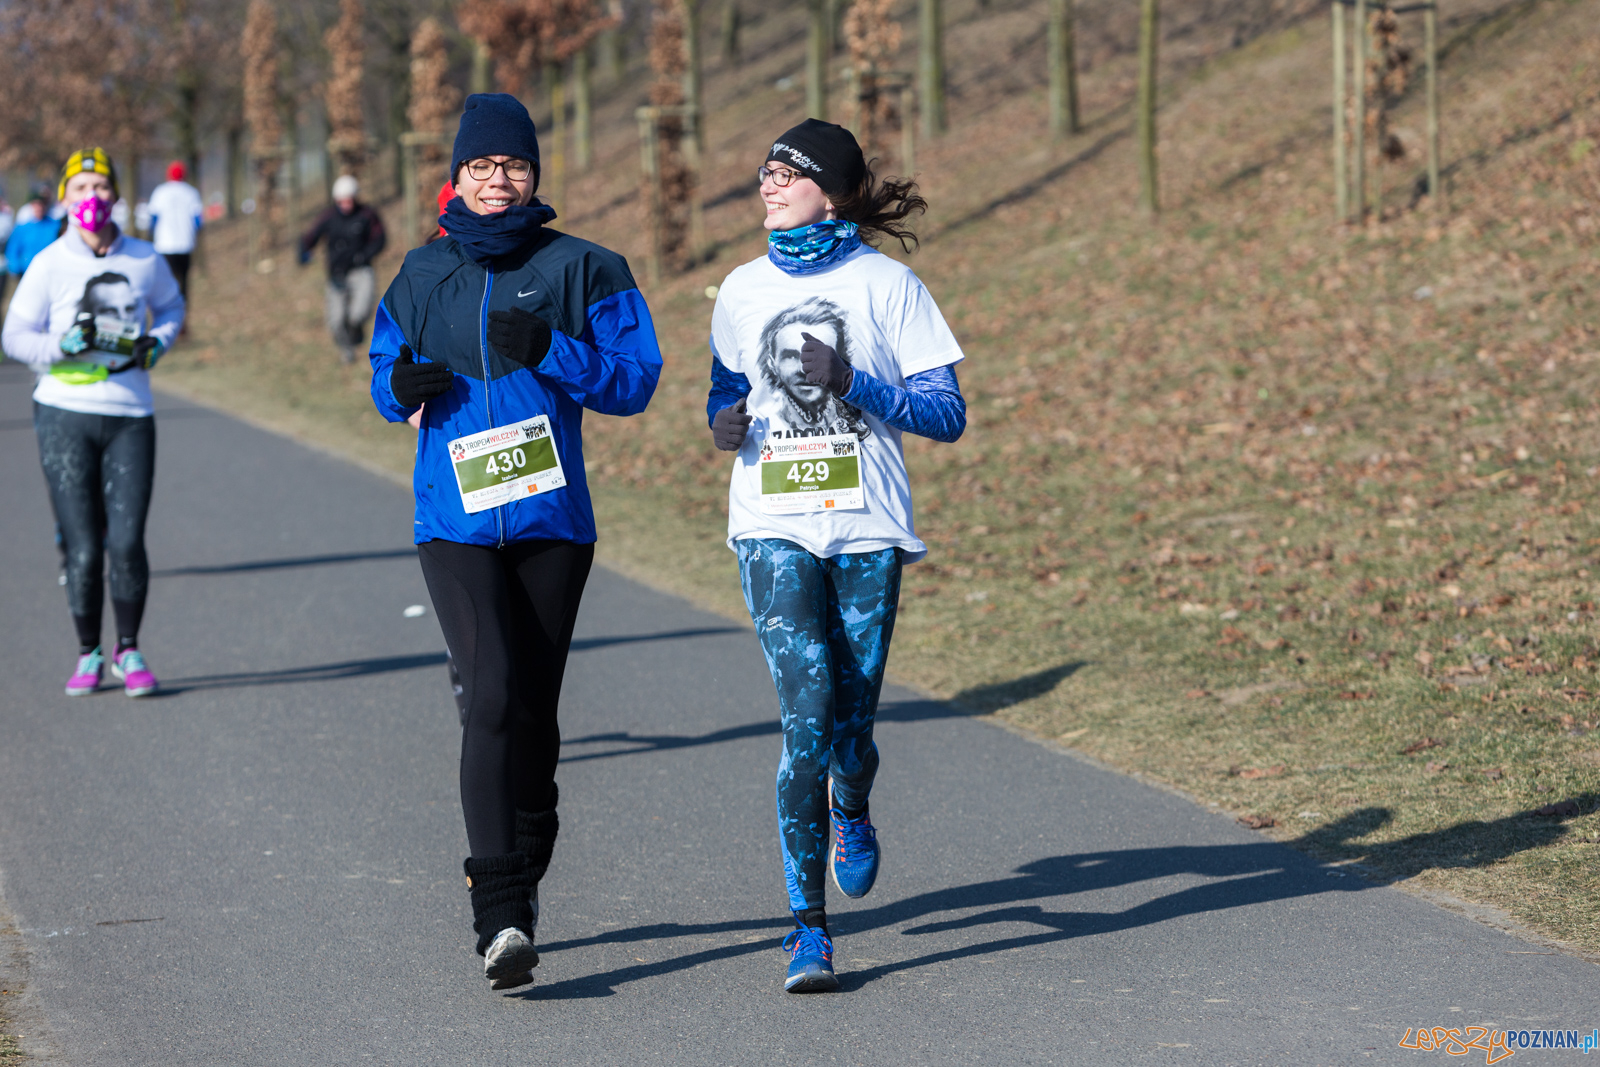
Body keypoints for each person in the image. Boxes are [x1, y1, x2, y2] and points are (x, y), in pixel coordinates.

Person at [368, 93, 662, 991]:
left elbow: (635, 381)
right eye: (482, 167)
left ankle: (527, 837)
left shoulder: (585, 267)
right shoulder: (421, 273)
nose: (499, 181)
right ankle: (500, 912)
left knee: (533, 707)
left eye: (515, 166)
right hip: (452, 521)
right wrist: (397, 385)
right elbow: (385, 371)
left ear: (536, 173)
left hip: (551, 523)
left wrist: (551, 350)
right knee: (489, 691)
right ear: (455, 176)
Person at [705, 119, 966, 993]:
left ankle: (852, 800)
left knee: (850, 727)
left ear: (834, 190)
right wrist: (721, 425)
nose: (768, 183)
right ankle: (806, 930)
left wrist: (854, 381)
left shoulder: (890, 286)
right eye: (766, 169)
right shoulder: (739, 288)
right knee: (807, 713)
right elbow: (722, 390)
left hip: (865, 529)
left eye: (788, 172)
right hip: (770, 523)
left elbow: (946, 413)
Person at [1, 147, 184, 698]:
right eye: (80, 189)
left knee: (126, 541)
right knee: (83, 547)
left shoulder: (145, 260)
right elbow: (14, 337)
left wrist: (157, 343)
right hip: (63, 414)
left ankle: (129, 650)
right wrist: (61, 346)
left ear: (115, 196)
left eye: (101, 187)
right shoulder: (50, 262)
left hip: (130, 415)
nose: (92, 197)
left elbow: (173, 309)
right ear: (64, 199)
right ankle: (89, 654)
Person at [298, 174, 386, 364]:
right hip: (336, 275)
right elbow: (311, 236)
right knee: (336, 321)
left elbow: (380, 239)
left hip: (361, 271)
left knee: (358, 313)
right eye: (341, 201)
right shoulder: (328, 217)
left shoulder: (367, 215)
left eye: (349, 200)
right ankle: (347, 353)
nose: (345, 205)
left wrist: (365, 255)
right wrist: (303, 251)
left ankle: (356, 332)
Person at [147, 161, 203, 305]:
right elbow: (198, 221)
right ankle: (183, 313)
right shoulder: (191, 192)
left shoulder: (160, 191)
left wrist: (151, 237)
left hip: (164, 244)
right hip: (185, 243)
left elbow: (153, 219)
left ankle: (168, 311)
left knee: (166, 281)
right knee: (183, 281)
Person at [7, 187, 62, 281]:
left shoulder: (56, 226)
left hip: (51, 273)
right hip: (27, 273)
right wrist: (16, 269)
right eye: (36, 204)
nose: (39, 208)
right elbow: (12, 250)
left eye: (41, 204)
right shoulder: (22, 228)